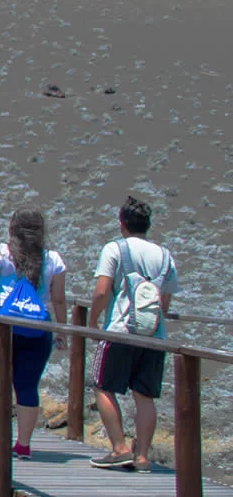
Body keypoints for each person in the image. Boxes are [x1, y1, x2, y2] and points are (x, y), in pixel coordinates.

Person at [88, 196, 180, 472]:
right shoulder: (165, 255)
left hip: (120, 332)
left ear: (122, 224)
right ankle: (141, 457)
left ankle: (119, 448)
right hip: (154, 335)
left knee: (102, 386)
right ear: (147, 225)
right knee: (144, 396)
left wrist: (92, 321)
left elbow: (102, 290)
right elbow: (163, 304)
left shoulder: (114, 249)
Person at [0, 209, 65, 460]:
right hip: (37, 326)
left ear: (12, 228)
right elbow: (58, 299)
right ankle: (23, 445)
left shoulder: (1, 253)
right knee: (27, 385)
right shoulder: (53, 259)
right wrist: (61, 329)